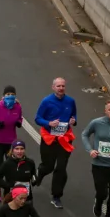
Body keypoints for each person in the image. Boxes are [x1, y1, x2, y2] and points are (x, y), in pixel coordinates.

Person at [34, 77, 76, 209]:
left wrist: (73, 120)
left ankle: (56, 196)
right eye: (58, 86)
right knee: (49, 166)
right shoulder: (46, 101)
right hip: (49, 138)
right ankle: (40, 173)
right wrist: (48, 123)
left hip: (64, 138)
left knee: (61, 168)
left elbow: (74, 115)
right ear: (53, 87)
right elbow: (38, 118)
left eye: (63, 86)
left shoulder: (70, 101)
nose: (61, 88)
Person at [0, 86, 25, 201]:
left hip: (10, 143)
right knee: (0, 166)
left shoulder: (17, 107)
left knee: (10, 167)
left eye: (12, 94)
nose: (10, 96)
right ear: (3, 96)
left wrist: (18, 122)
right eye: (7, 94)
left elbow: (20, 118)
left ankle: (7, 191)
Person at [0, 140, 37, 207]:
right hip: (11, 197)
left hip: (26, 197)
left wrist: (34, 179)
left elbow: (33, 174)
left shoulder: (30, 163)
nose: (19, 151)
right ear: (12, 150)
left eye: (21, 149)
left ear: (24, 150)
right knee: (10, 216)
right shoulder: (7, 164)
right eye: (17, 149)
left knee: (26, 216)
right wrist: (8, 185)